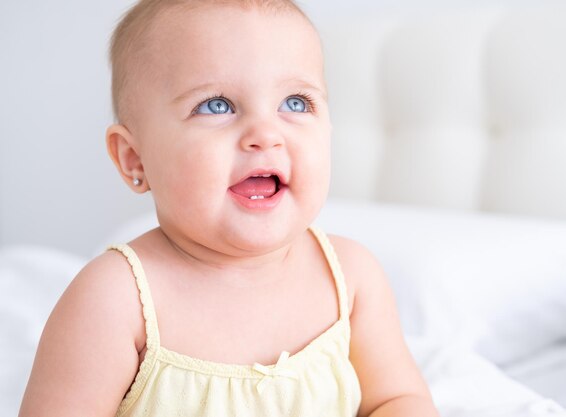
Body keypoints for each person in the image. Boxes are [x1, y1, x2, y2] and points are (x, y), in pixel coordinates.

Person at [19, 1, 440, 416]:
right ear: (135, 159)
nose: (265, 134)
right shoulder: (114, 299)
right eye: (216, 105)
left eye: (295, 102)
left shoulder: (350, 278)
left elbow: (398, 399)